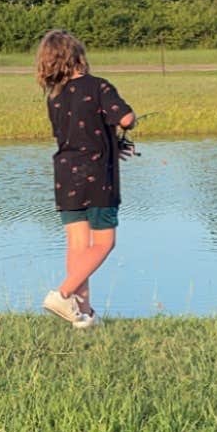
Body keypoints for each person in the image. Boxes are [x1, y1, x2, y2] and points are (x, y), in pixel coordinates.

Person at [35, 29, 136, 328]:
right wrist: (128, 126)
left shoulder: (54, 97)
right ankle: (62, 294)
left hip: (65, 176)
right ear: (78, 56)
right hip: (96, 179)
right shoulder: (99, 86)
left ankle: (83, 315)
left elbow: (78, 135)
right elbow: (126, 118)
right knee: (104, 243)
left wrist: (113, 145)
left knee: (78, 247)